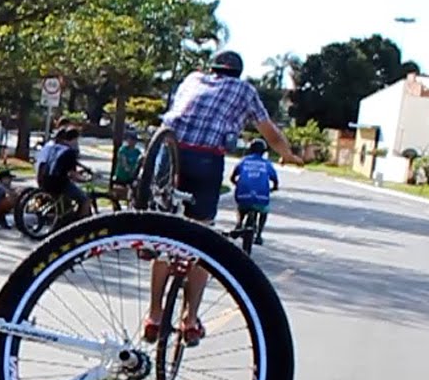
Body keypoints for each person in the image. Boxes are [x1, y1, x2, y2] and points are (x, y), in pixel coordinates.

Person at [144, 51, 305, 347]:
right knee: (202, 238)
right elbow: (269, 130)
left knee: (165, 238)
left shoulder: (192, 79)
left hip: (168, 152)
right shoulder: (244, 90)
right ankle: (190, 320)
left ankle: (154, 315)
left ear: (212, 68)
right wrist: (287, 154)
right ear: (238, 72)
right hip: (205, 159)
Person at [36, 127, 92, 224]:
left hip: (46, 180)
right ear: (74, 139)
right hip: (60, 183)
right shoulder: (70, 152)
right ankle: (81, 223)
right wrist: (84, 179)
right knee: (85, 199)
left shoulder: (55, 147)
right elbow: (71, 173)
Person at [230, 139, 280, 245]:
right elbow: (275, 179)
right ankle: (259, 235)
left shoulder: (244, 161)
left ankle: (239, 224)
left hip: (243, 196)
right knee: (264, 211)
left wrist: (237, 184)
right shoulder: (266, 164)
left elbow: (233, 177)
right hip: (261, 197)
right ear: (263, 151)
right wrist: (274, 188)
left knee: (241, 207)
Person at [112, 131, 143, 201]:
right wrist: (129, 170)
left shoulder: (137, 152)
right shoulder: (123, 150)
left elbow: (141, 163)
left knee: (131, 194)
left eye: (134, 140)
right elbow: (124, 163)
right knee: (117, 195)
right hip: (121, 176)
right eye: (131, 139)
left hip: (131, 178)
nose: (133, 142)